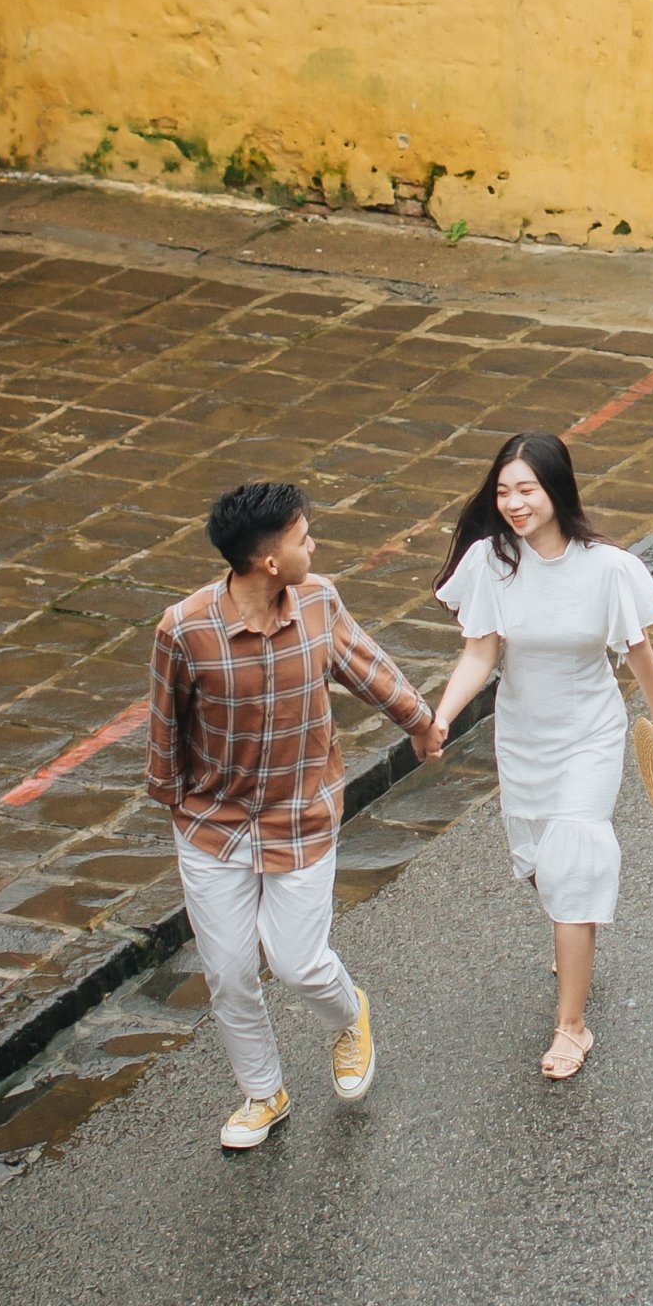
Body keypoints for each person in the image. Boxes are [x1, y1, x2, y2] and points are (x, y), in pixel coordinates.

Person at [148, 479, 441, 1152]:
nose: (316, 546)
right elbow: (166, 723)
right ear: (268, 561)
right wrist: (172, 798)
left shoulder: (318, 601)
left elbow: (367, 667)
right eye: (304, 538)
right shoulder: (184, 629)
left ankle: (349, 1015)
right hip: (212, 827)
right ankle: (263, 1094)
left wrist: (421, 724)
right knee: (228, 973)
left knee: (298, 963)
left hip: (303, 815)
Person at [431, 432, 653, 1081]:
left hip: (589, 734)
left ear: (556, 489)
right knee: (543, 864)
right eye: (503, 492)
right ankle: (572, 929)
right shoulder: (491, 562)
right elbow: (480, 653)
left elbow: (638, 651)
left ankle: (572, 1025)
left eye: (527, 489)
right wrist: (440, 716)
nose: (514, 503)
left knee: (573, 859)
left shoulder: (607, 569)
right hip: (522, 737)